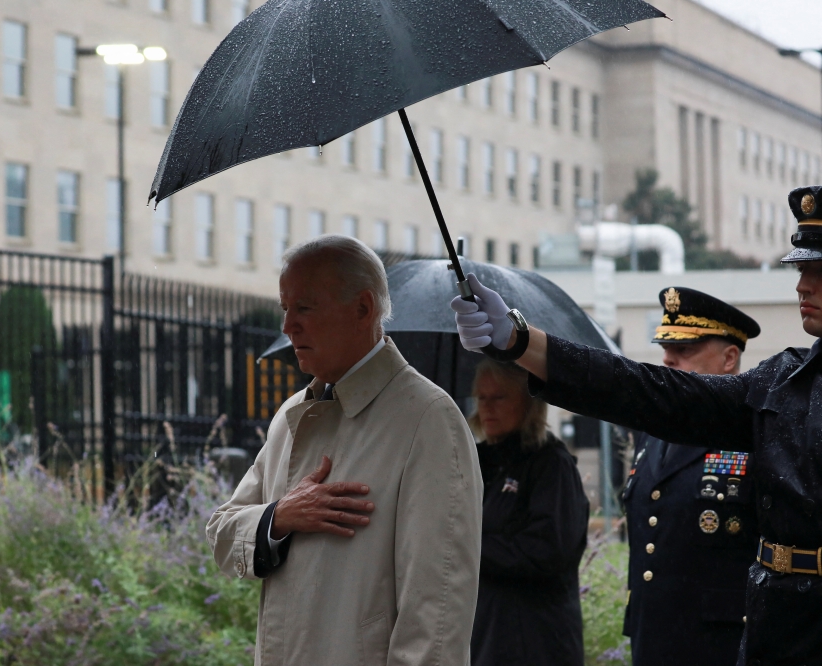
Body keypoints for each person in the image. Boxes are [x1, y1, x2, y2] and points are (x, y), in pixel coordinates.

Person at [451, 185, 822, 666]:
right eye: (801, 269)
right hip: (778, 633)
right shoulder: (785, 383)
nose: (801, 285)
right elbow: (651, 391)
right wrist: (521, 342)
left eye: (817, 270)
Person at [207, 235, 483, 666]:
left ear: (363, 309)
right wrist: (279, 516)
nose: (287, 326)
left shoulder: (429, 420)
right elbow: (222, 533)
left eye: (305, 308)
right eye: (285, 308)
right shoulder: (290, 415)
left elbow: (436, 612)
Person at [621, 287, 762, 666]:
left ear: (729, 358)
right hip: (652, 637)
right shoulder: (650, 433)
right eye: (666, 348)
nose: (667, 359)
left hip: (721, 644)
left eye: (684, 350)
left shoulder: (753, 431)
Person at [467, 359, 589, 666]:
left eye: (499, 397)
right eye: (482, 397)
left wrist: (465, 547)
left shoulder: (551, 464)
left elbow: (547, 550)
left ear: (528, 403)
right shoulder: (473, 461)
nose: (488, 407)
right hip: (483, 632)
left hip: (534, 638)